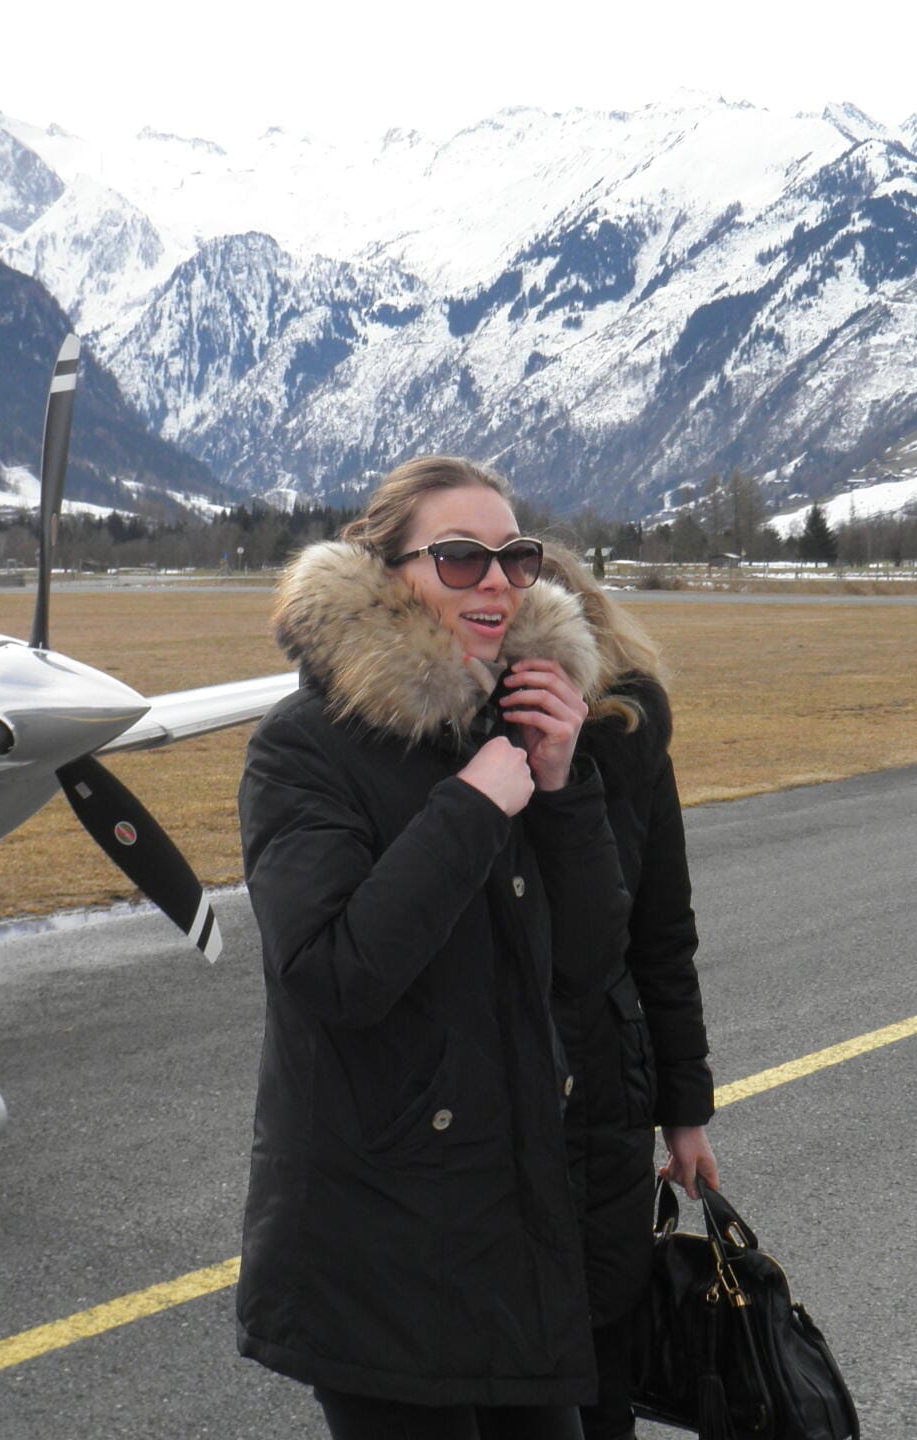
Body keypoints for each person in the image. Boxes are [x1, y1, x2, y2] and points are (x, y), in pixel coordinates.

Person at [237, 456, 631, 1440]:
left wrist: (563, 782)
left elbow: (587, 964)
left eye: (514, 557)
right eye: (459, 558)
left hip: (510, 1231)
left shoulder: (514, 725)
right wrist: (470, 807)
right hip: (377, 1247)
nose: (496, 580)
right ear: (388, 577)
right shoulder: (303, 751)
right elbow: (330, 974)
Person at [539, 542, 719, 1440]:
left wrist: (686, 1111)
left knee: (600, 1345)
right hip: (557, 1085)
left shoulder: (631, 737)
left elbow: (661, 937)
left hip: (606, 1089)